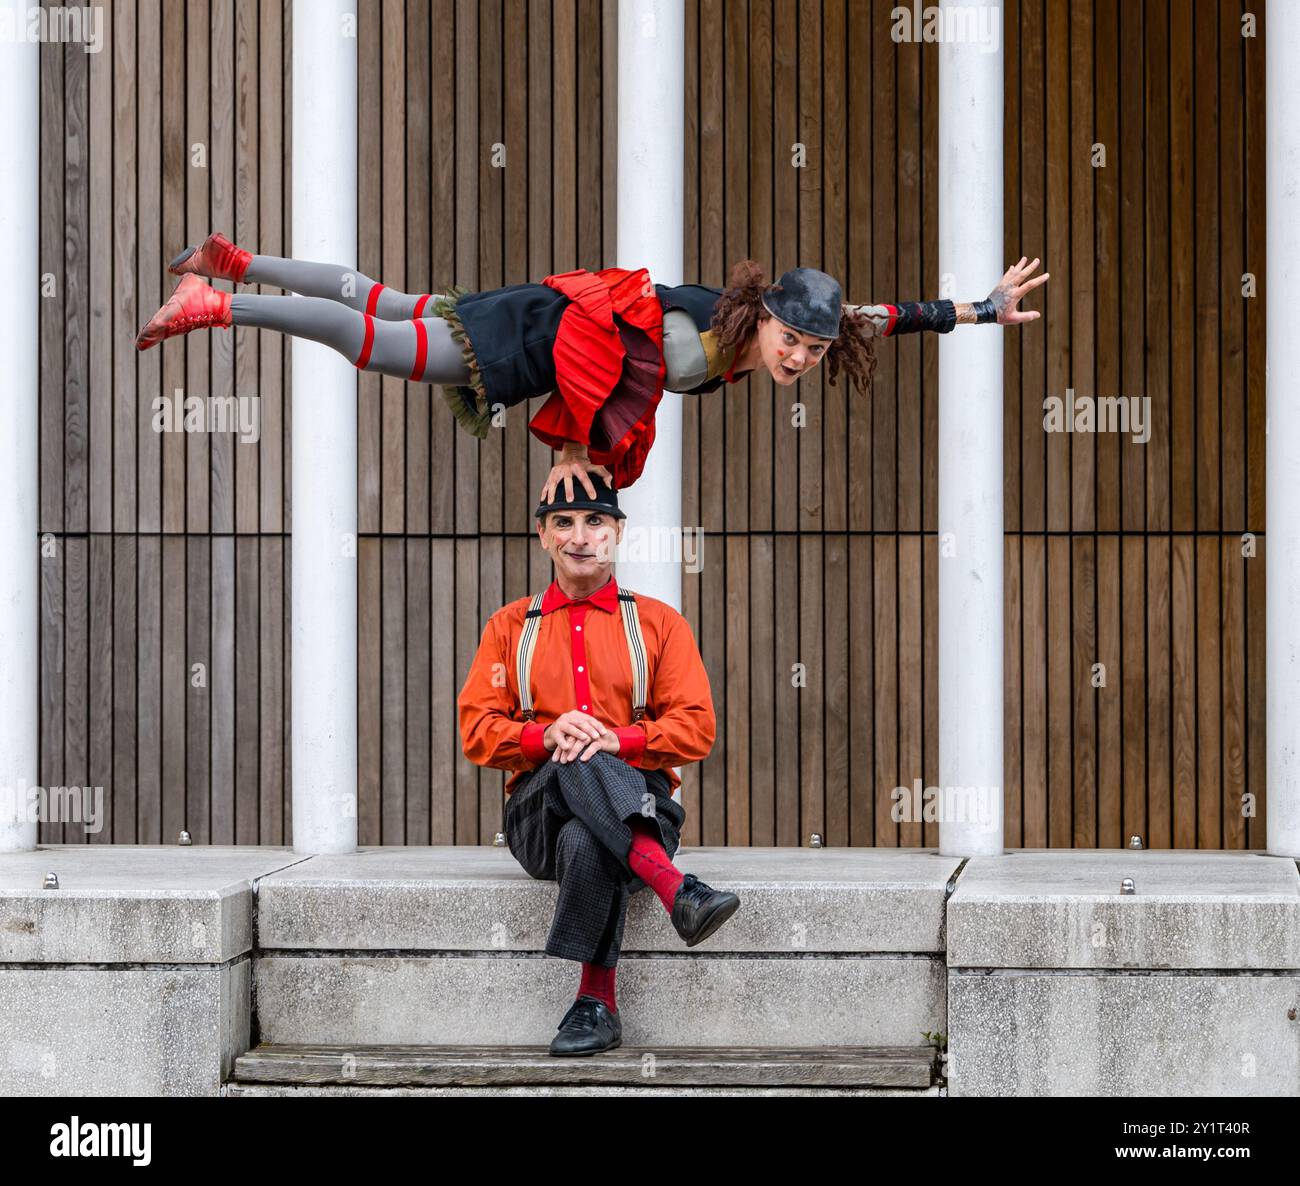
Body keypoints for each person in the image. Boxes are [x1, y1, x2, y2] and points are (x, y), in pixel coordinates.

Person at [133, 232, 1048, 501]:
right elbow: (595, 356)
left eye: (811, 350)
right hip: (535, 338)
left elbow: (882, 316)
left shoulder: (761, 332)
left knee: (385, 299)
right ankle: (223, 306)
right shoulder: (695, 337)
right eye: (793, 343)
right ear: (762, 316)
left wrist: (975, 308)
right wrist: (575, 444)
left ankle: (238, 263)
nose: (800, 359)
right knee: (377, 341)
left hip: (531, 310)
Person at [456, 471, 731, 1055]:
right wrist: (543, 735)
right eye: (564, 523)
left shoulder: (659, 624)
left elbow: (697, 727)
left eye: (595, 521)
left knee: (588, 832)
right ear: (543, 536)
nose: (580, 537)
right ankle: (673, 885)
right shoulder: (508, 628)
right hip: (537, 819)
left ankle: (595, 1006)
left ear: (617, 533)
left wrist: (621, 741)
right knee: (571, 751)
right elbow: (476, 730)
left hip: (644, 804)